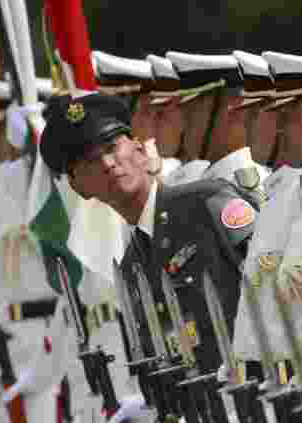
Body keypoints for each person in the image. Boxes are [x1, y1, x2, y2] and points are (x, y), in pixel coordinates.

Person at [39, 91, 259, 375]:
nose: (107, 164)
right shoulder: (131, 266)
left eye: (111, 147)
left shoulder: (208, 204)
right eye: (90, 161)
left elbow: (273, 289)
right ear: (79, 187)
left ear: (140, 150)